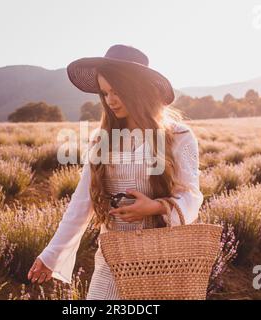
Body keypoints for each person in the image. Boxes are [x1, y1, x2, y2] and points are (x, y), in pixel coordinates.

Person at [27, 44, 204, 299]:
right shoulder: (102, 139)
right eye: (105, 92)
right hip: (112, 258)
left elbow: (192, 196)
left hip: (160, 259)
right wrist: (50, 255)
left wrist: (156, 207)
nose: (110, 100)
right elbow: (81, 203)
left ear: (138, 90)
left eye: (117, 91)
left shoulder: (179, 136)